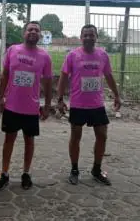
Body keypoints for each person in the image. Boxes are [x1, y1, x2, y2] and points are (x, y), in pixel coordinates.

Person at [57, 24, 121, 186]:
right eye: (85, 35)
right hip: (78, 104)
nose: (88, 38)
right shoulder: (72, 56)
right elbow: (63, 77)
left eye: (91, 35)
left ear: (96, 37)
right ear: (81, 37)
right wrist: (60, 98)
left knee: (102, 135)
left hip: (96, 105)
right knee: (75, 137)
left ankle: (97, 170)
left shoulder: (103, 55)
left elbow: (109, 76)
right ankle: (74, 170)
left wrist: (116, 95)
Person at [0, 21, 53, 191]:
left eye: (36, 30)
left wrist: (47, 105)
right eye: (30, 29)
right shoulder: (13, 50)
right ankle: (4, 174)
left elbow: (48, 83)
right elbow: (4, 75)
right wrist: (0, 99)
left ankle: (26, 173)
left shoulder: (44, 57)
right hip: (11, 106)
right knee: (9, 140)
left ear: (40, 35)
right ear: (24, 33)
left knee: (29, 141)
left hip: (31, 108)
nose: (33, 32)